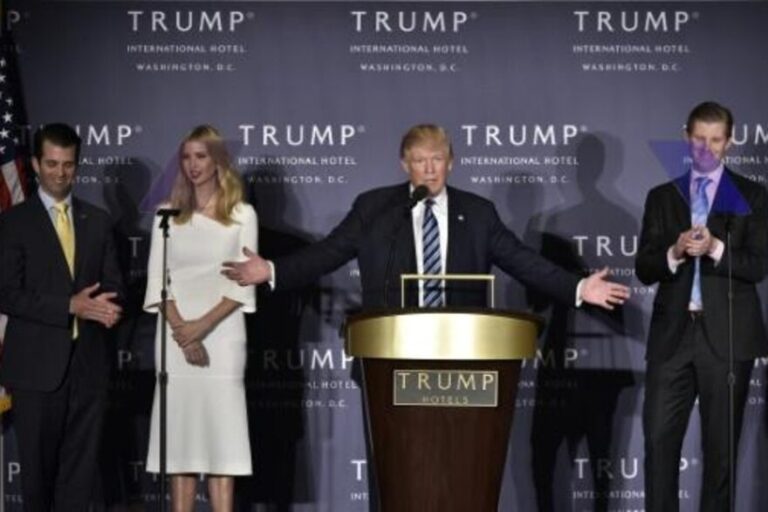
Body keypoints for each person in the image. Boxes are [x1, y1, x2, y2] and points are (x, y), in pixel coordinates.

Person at [222, 123, 628, 312]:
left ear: (451, 162)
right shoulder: (375, 208)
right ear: (405, 165)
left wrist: (578, 287)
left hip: (462, 351)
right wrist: (272, 270)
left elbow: (524, 262)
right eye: (420, 161)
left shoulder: (478, 214)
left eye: (437, 159)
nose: (429, 170)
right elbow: (328, 253)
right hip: (388, 349)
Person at [636, 102, 768, 511]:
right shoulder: (662, 197)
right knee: (658, 443)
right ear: (686, 137)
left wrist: (715, 248)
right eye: (699, 140)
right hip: (672, 339)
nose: (707, 149)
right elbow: (644, 268)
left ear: (729, 142)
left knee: (721, 453)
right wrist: (674, 252)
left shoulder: (753, 196)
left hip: (727, 337)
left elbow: (758, 266)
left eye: (715, 140)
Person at [0, 123, 124, 511]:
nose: (60, 173)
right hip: (36, 372)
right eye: (51, 164)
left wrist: (109, 308)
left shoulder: (98, 220)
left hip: (89, 370)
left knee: (79, 482)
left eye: (68, 165)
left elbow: (114, 284)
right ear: (36, 164)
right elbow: (6, 293)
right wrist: (68, 306)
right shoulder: (13, 222)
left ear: (77, 165)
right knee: (38, 483)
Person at [143, 125, 257, 511]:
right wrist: (183, 333)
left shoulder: (242, 214)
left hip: (223, 339)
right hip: (175, 341)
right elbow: (157, 281)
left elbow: (243, 284)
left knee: (222, 443)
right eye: (187, 157)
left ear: (218, 160)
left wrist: (201, 328)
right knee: (181, 443)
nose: (193, 165)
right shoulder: (166, 215)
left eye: (201, 156)